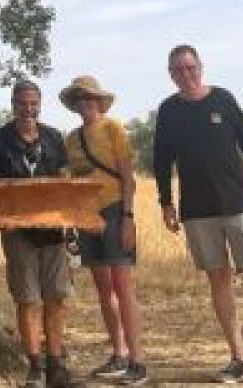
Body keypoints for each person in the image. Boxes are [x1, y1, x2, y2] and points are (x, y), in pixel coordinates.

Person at [152, 45, 243, 385]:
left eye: (190, 67)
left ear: (200, 67)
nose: (185, 74)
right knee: (218, 279)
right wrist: (165, 202)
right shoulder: (169, 110)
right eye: (177, 70)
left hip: (238, 205)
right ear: (171, 74)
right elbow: (161, 160)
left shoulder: (222, 99)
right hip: (196, 211)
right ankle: (239, 358)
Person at [0, 78, 81, 388]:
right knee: (27, 299)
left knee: (57, 298)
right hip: (19, 234)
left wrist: (70, 223)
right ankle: (34, 367)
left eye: (33, 103)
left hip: (52, 231)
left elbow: (64, 183)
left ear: (40, 105)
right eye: (23, 103)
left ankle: (55, 365)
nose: (28, 109)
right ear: (13, 104)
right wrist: (2, 216)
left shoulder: (53, 138)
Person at [61, 76, 147, 386]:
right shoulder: (70, 139)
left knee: (122, 285)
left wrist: (128, 217)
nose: (86, 102)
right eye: (80, 98)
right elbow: (70, 183)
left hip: (114, 211)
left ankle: (138, 361)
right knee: (103, 287)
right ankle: (119, 353)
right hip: (86, 216)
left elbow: (128, 178)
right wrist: (71, 222)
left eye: (91, 97)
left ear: (99, 101)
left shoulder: (113, 128)